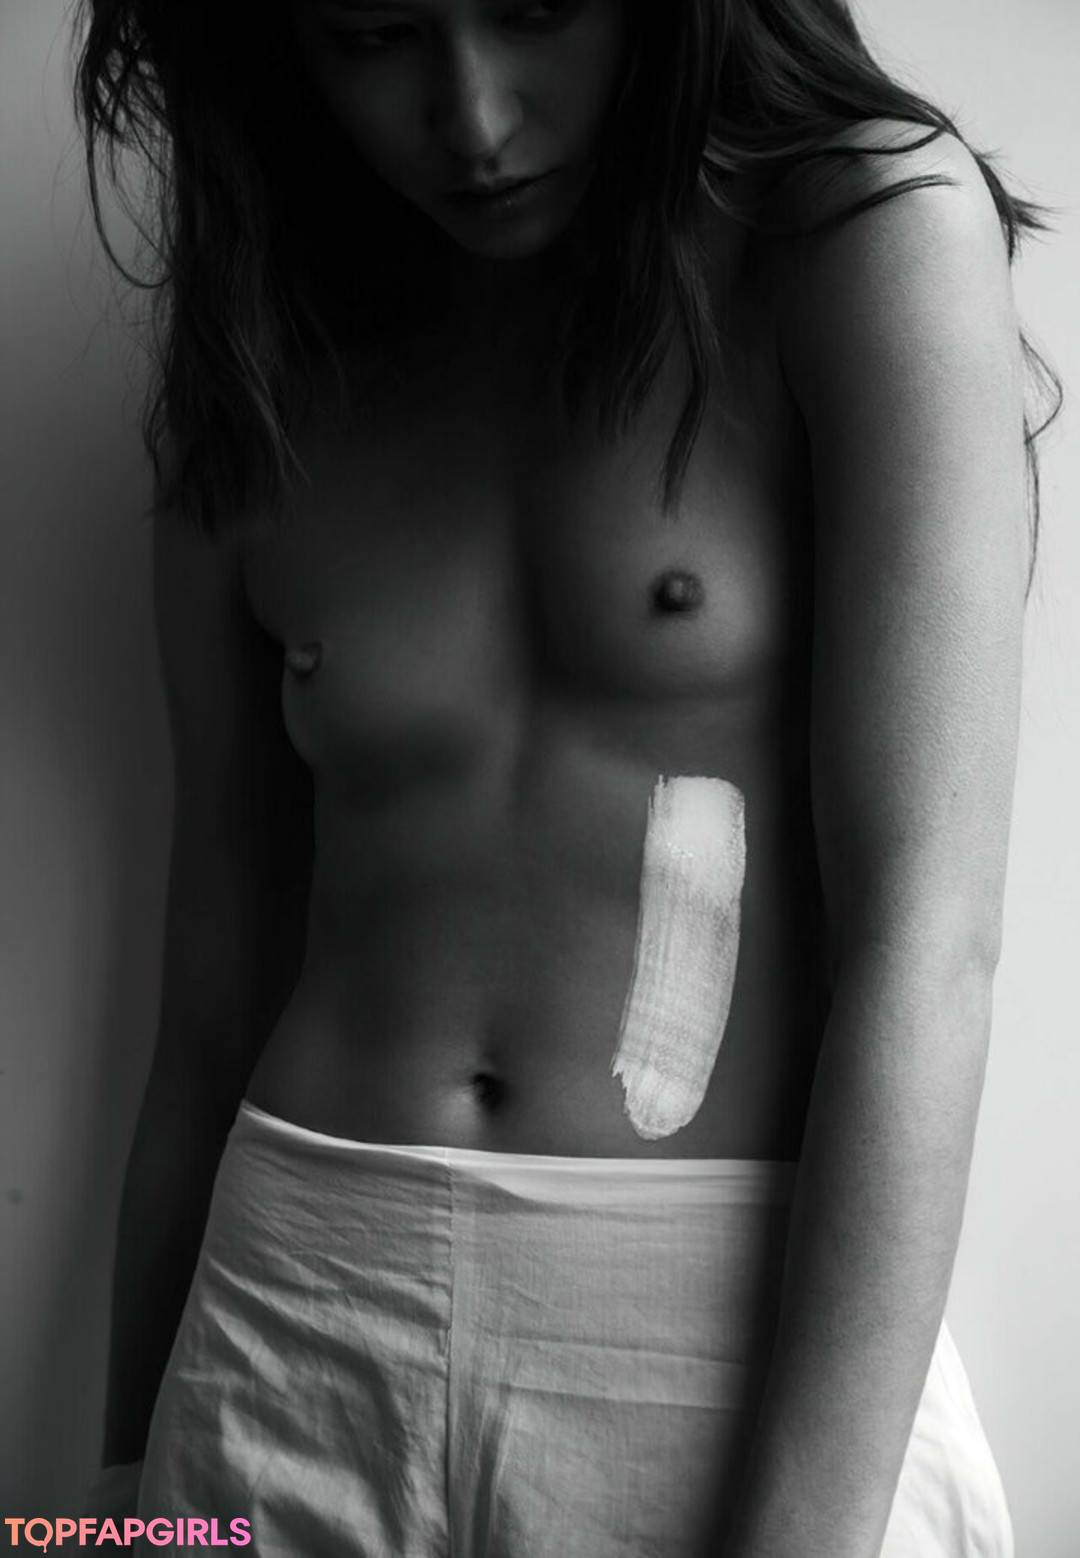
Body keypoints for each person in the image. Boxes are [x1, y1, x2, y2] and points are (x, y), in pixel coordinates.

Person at [74, 0, 1059, 1553]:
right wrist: (122, 1505)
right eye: (370, 33)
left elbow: (926, 945)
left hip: (722, 1327)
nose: (471, 118)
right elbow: (206, 1000)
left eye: (536, 9)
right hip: (287, 1312)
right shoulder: (269, 341)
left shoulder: (857, 235)